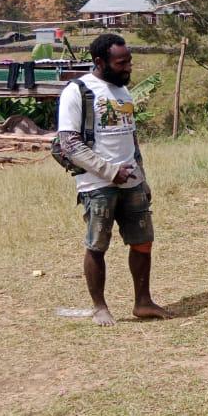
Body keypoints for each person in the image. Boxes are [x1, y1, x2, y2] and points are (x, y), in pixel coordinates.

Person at [56, 32, 169, 326]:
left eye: (129, 61)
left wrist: (141, 178)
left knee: (143, 242)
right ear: (99, 61)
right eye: (121, 63)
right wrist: (109, 171)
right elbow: (69, 143)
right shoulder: (78, 91)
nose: (128, 67)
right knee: (97, 245)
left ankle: (143, 302)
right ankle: (100, 307)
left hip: (131, 182)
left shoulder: (123, 92)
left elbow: (131, 139)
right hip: (97, 185)